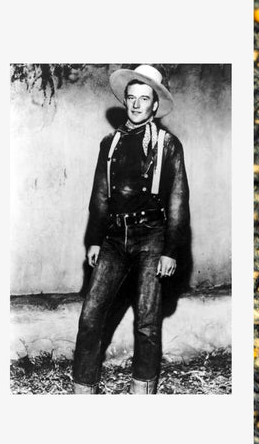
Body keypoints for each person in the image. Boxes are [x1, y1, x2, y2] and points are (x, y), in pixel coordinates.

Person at [71, 65, 189, 394]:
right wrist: (93, 240)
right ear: (126, 101)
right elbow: (99, 196)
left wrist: (171, 250)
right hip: (112, 239)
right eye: (132, 98)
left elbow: (178, 200)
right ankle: (82, 392)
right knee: (91, 316)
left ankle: (142, 395)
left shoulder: (168, 144)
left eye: (144, 99)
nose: (137, 105)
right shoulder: (110, 143)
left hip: (152, 237)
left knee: (147, 323)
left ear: (154, 105)